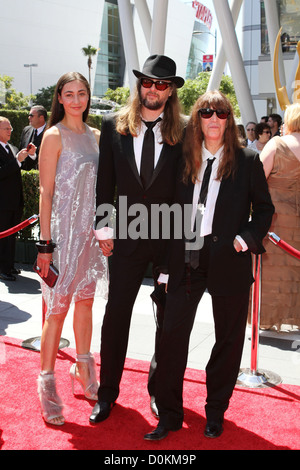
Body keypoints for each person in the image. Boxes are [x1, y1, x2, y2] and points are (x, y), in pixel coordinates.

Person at [144, 91, 274, 441]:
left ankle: (215, 409)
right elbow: (168, 216)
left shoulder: (247, 161)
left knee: (228, 340)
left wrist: (244, 239)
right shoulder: (182, 159)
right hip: (186, 259)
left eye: (221, 113)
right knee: (172, 336)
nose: (213, 118)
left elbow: (263, 210)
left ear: (229, 120)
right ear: (197, 119)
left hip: (229, 260)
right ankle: (169, 414)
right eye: (206, 112)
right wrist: (165, 269)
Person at [89, 55, 185, 424]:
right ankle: (107, 393)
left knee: (167, 319)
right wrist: (104, 227)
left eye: (161, 84)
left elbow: (187, 189)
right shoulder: (113, 125)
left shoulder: (184, 129)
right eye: (147, 82)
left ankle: (159, 394)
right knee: (116, 316)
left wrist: (183, 238)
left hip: (167, 235)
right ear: (139, 84)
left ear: (171, 90)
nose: (153, 89)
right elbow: (104, 183)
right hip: (126, 237)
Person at [36, 72, 108, 426]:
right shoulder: (53, 136)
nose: (76, 100)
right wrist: (45, 244)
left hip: (89, 236)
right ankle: (46, 384)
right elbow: (45, 194)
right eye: (69, 94)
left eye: (82, 93)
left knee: (86, 302)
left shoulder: (97, 137)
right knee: (56, 310)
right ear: (59, 99)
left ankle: (84, 368)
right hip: (62, 237)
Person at [258, 102, 300, 330]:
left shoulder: (277, 144)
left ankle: (267, 320)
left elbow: (257, 179)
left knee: (273, 272)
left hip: (275, 221)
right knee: (295, 273)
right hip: (298, 221)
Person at [0, 117, 37, 281]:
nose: (10, 131)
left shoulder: (11, 147)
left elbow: (25, 167)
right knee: (3, 235)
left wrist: (31, 155)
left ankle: (9, 266)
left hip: (14, 201)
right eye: (6, 128)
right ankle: (3, 269)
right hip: (2, 202)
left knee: (11, 235)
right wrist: (16, 161)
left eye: (10, 128)